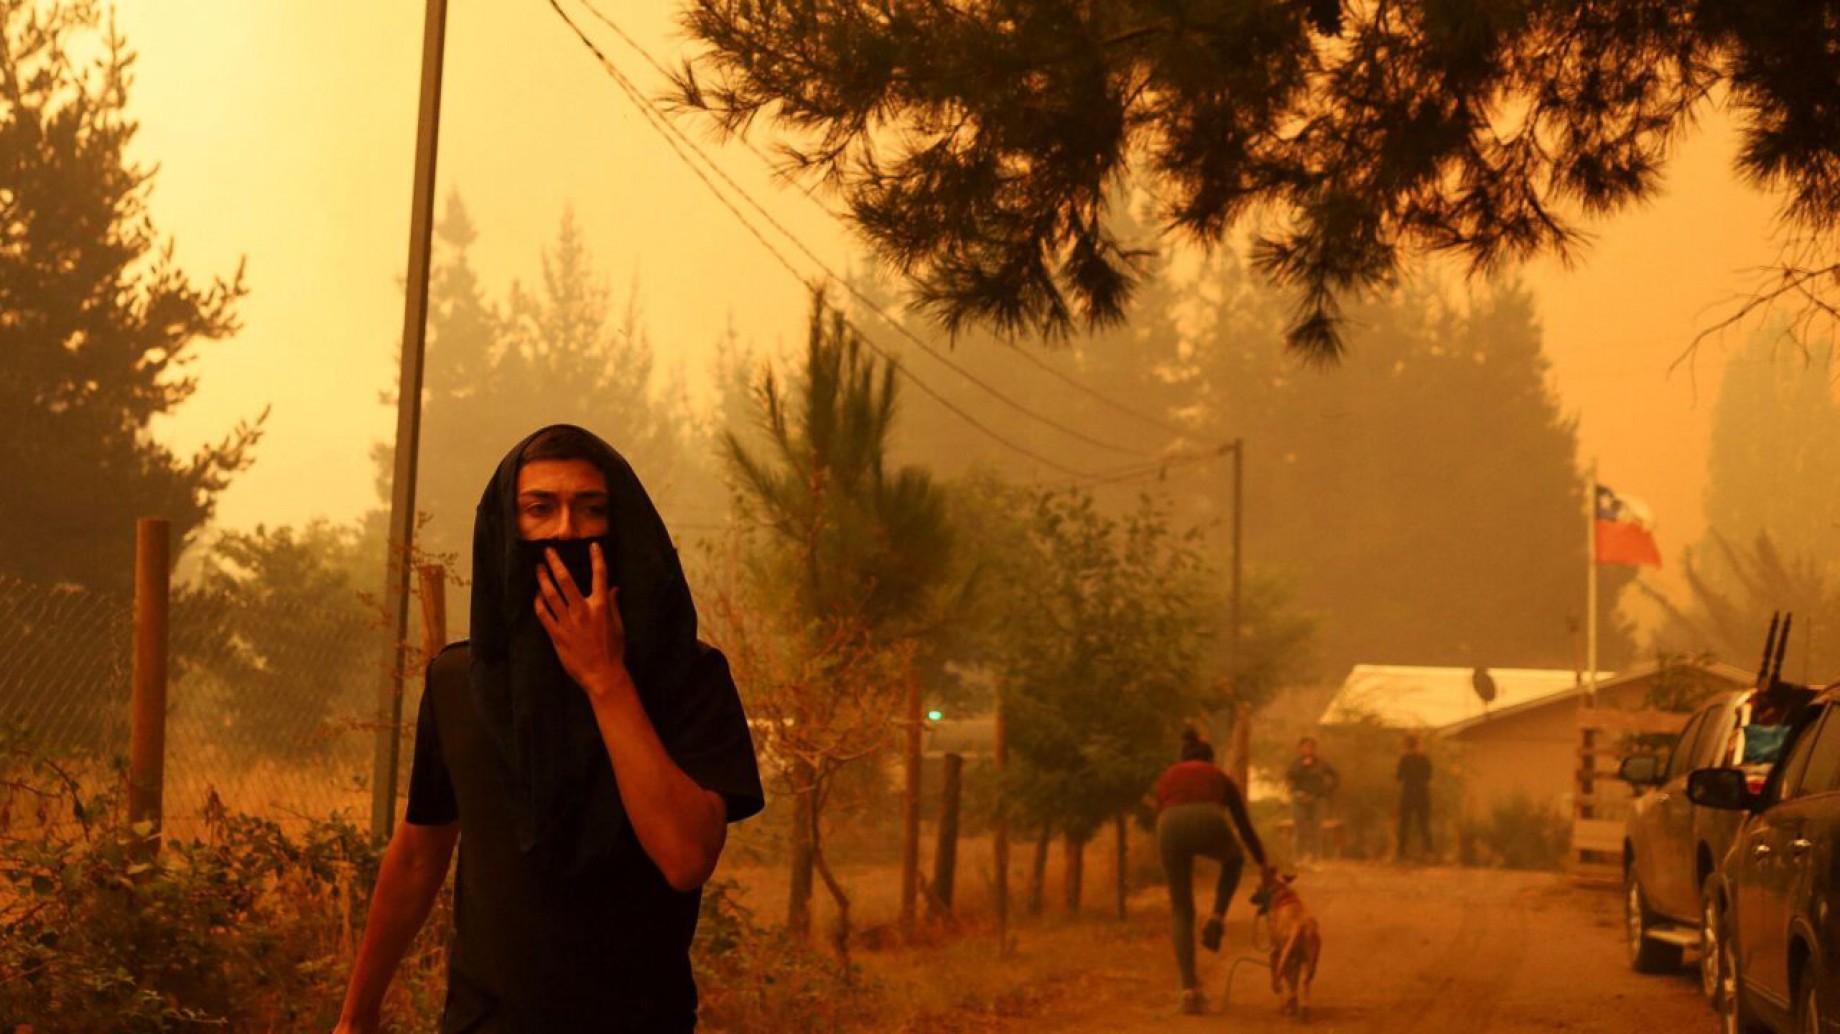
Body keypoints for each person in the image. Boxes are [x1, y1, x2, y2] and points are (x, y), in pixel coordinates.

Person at [334, 425, 765, 1033]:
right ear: (507, 531)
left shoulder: (686, 678)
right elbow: (417, 855)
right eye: (541, 509)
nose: (566, 530)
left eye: (592, 509)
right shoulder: (460, 683)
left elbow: (686, 857)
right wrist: (354, 1018)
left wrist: (606, 680)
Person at [1152, 728, 1270, 1016]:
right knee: (1233, 859)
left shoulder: (1168, 775)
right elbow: (1244, 827)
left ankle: (1189, 991)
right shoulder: (1219, 776)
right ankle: (1217, 917)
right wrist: (1262, 862)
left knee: (1181, 909)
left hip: (1169, 826)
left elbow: (1161, 808)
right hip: (1208, 819)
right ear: (1210, 759)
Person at [1285, 736, 1339, 864]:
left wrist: (1329, 790)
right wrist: (1302, 767)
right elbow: (1290, 776)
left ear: (1314, 748)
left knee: (1317, 829)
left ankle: (1315, 859)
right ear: (1300, 749)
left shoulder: (1321, 763)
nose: (1307, 749)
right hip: (1299, 799)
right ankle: (1299, 858)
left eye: (1310, 747)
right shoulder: (1296, 763)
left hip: (1318, 799)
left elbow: (1335, 775)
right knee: (1300, 828)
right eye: (1304, 747)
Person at [1396, 733, 1434, 862]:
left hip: (1408, 794)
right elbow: (1429, 776)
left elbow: (1399, 777)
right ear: (1418, 745)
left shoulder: (1404, 759)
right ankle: (1429, 852)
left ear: (1407, 746)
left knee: (1404, 824)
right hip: (1423, 794)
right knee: (1424, 824)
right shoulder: (1425, 759)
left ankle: (1401, 852)